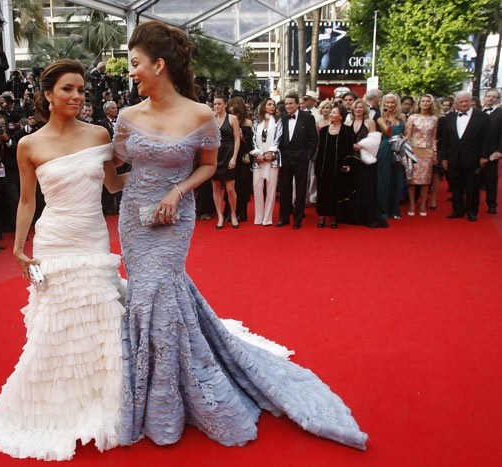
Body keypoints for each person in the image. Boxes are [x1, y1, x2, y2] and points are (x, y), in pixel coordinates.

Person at [114, 19, 367, 452]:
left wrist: (177, 191)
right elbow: (115, 163)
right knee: (145, 295)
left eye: (135, 64)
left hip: (176, 218)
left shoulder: (200, 115)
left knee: (158, 288)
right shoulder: (126, 115)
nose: (129, 72)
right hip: (134, 219)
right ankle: (151, 394)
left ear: (158, 64)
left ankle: (169, 400)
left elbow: (209, 166)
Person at [0, 59, 126, 461]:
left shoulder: (100, 133)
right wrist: (18, 247)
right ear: (47, 95)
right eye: (68, 89)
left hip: (93, 236)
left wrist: (157, 172)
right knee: (58, 324)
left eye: (81, 90)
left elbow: (113, 184)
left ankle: (104, 400)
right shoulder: (29, 144)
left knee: (101, 318)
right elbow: (28, 200)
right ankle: (56, 402)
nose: (77, 97)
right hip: (54, 239)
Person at [438, 91, 489, 221]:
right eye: (461, 101)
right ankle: (457, 210)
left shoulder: (482, 117)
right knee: (456, 186)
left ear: (471, 101)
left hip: (473, 157)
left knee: (472, 187)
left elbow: (486, 139)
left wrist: (484, 156)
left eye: (466, 101)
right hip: (454, 157)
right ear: (456, 103)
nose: (464, 103)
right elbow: (445, 140)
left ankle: (472, 212)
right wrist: (443, 158)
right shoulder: (449, 118)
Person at [273, 92, 318, 229]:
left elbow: (314, 139)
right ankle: (284, 218)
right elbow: (279, 138)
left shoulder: (307, 118)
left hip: (301, 159)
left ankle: (298, 219)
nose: (288, 106)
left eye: (291, 103)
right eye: (286, 104)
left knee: (300, 189)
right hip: (286, 158)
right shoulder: (283, 118)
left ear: (297, 104)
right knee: (285, 189)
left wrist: (308, 155)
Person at [339, 98, 381, 227]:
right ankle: (350, 215)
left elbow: (375, 141)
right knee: (351, 187)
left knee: (365, 187)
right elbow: (343, 138)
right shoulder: (348, 121)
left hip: (364, 159)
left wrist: (362, 146)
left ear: (365, 109)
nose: (358, 110)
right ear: (352, 109)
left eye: (361, 107)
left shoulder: (370, 122)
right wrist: (351, 145)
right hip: (351, 158)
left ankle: (364, 216)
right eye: (356, 107)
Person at [315, 105, 353, 229]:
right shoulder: (324, 130)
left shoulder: (347, 130)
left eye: (334, 112)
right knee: (322, 190)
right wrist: (317, 167)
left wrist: (347, 164)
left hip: (338, 166)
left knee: (335, 191)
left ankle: (333, 216)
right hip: (324, 166)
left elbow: (349, 149)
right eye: (331, 112)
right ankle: (321, 215)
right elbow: (320, 150)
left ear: (341, 116)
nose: (331, 114)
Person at [405, 94, 440, 216]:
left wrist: (435, 154)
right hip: (413, 150)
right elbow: (408, 137)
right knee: (411, 179)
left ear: (431, 104)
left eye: (427, 101)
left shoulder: (434, 119)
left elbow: (434, 138)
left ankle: (423, 204)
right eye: (423, 101)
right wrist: (407, 153)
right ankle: (412, 205)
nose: (425, 103)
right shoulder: (412, 118)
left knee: (426, 180)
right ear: (419, 103)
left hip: (428, 151)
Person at [376, 93, 407, 222]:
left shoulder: (403, 117)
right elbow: (388, 132)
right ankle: (383, 210)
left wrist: (403, 139)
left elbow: (405, 133)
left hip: (398, 150)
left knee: (397, 180)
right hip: (385, 149)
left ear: (397, 104)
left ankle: (394, 209)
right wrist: (387, 121)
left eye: (392, 103)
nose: (390, 105)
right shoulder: (380, 119)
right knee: (384, 179)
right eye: (387, 103)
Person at [211, 94, 240, 229]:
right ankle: (220, 216)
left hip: (228, 154)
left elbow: (237, 139)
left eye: (218, 104)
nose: (216, 106)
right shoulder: (210, 119)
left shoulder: (232, 118)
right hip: (214, 156)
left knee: (230, 189)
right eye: (215, 104)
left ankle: (233, 214)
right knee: (216, 187)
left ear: (225, 105)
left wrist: (234, 157)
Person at [251, 98, 280, 225]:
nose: (272, 106)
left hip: (272, 159)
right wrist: (257, 153)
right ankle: (258, 217)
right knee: (257, 187)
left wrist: (271, 151)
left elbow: (279, 137)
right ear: (263, 106)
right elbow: (252, 139)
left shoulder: (278, 122)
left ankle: (267, 218)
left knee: (271, 189)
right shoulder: (256, 123)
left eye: (273, 105)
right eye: (269, 104)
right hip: (258, 159)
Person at [228, 95, 253, 223]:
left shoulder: (247, 123)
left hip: (243, 158)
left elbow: (251, 144)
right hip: (230, 156)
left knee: (242, 186)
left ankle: (241, 213)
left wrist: (242, 138)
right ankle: (229, 211)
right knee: (230, 185)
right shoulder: (227, 121)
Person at [482, 88, 500, 214]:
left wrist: (499, 151)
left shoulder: (500, 113)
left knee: (491, 180)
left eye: (494, 97)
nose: (491, 98)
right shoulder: (477, 113)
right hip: (475, 152)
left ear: (498, 99)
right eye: (489, 96)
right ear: (485, 97)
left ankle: (492, 204)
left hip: (492, 153)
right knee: (473, 180)